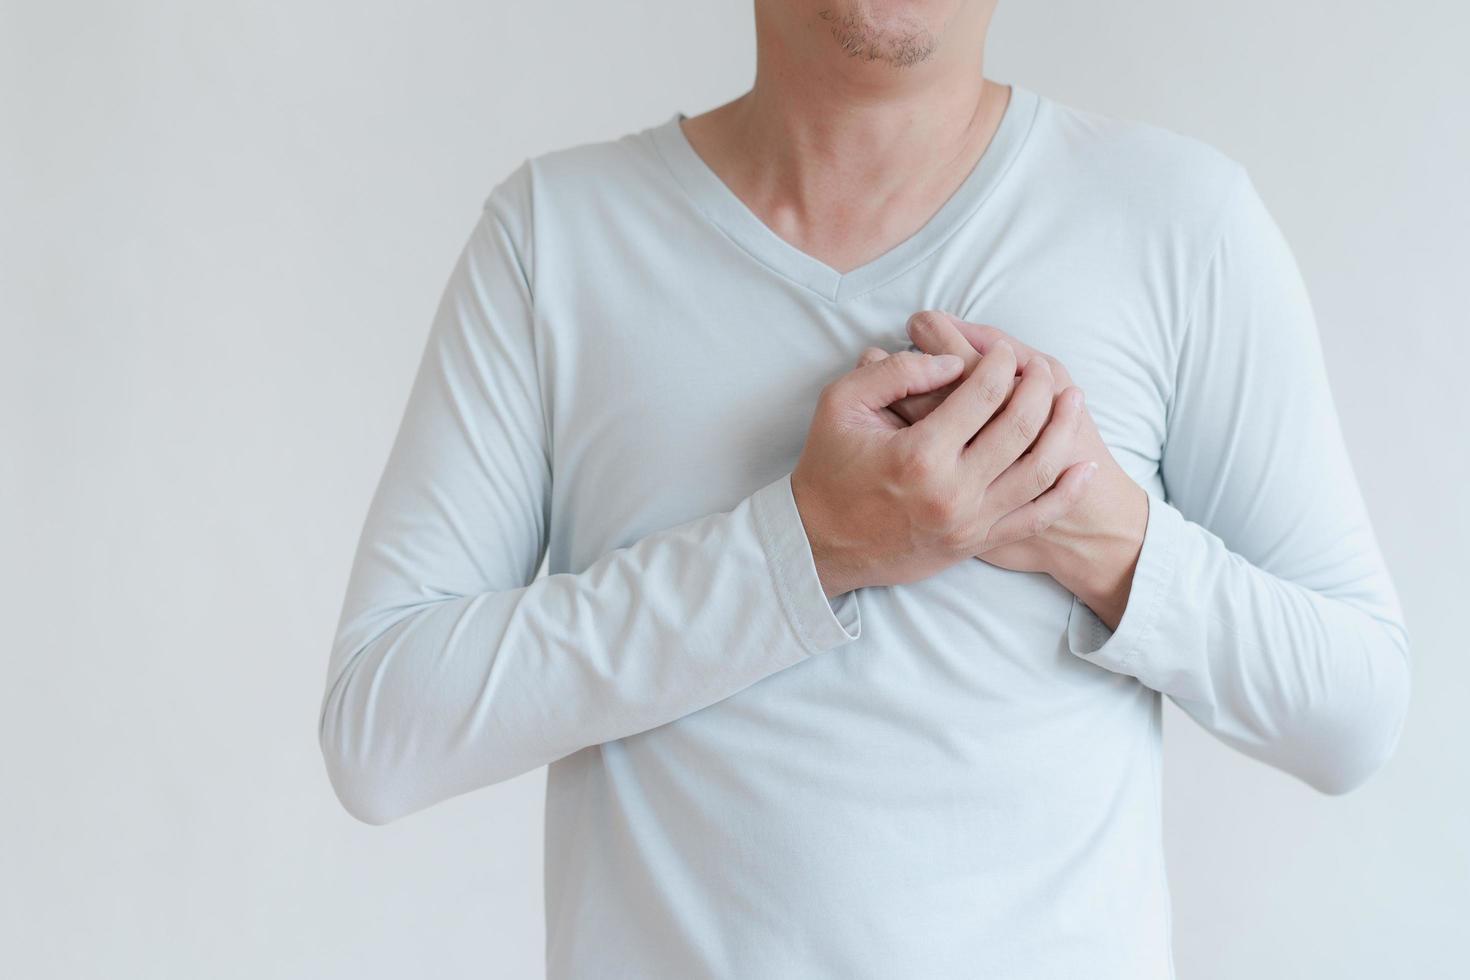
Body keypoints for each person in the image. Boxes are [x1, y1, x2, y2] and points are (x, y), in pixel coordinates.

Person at [317, 2, 1412, 976]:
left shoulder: (1179, 222)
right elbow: (382, 727)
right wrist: (803, 548)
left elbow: (1354, 711)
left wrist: (1104, 537)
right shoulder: (554, 238)